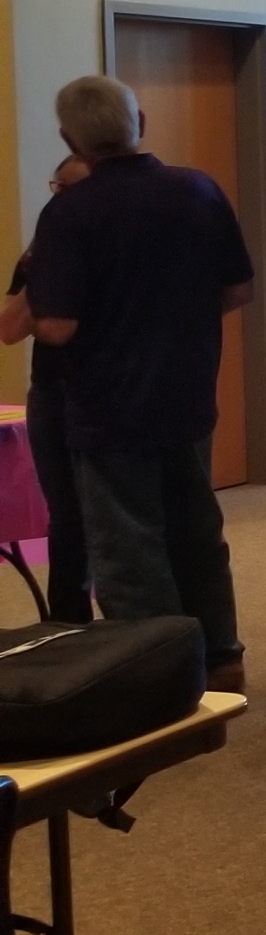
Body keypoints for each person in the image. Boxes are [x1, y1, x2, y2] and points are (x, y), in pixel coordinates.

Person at [23, 79, 255, 689]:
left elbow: (56, 325)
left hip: (108, 408)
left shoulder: (68, 213)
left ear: (71, 138)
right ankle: (224, 658)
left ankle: (160, 679)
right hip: (187, 395)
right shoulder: (199, 190)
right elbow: (237, 289)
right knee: (197, 532)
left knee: (129, 551)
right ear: (140, 121)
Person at [0, 156, 95, 622]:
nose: (63, 200)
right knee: (65, 516)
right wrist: (43, 265)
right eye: (59, 189)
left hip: (106, 392)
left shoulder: (111, 243)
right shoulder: (39, 254)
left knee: (110, 516)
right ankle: (67, 621)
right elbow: (10, 328)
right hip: (52, 392)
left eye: (76, 191)